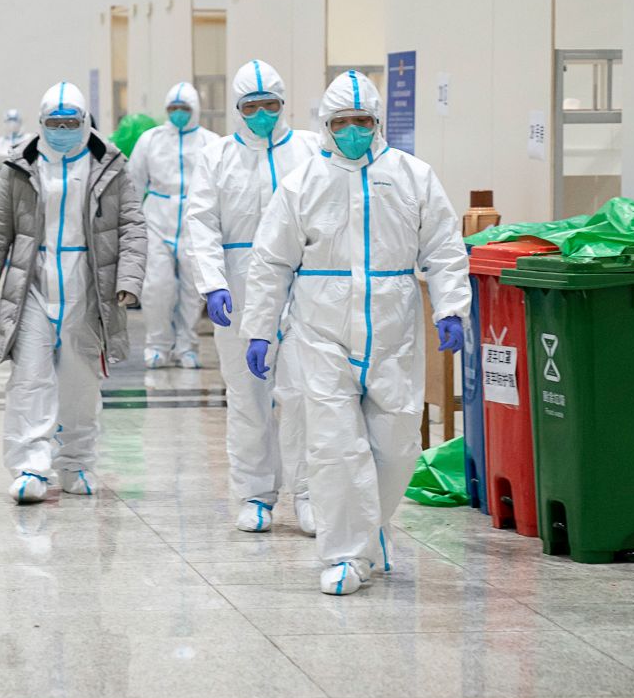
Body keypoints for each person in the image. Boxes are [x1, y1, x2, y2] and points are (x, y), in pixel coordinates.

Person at [241, 70, 470, 595]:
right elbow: (271, 261)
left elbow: (442, 245)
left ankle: (373, 531)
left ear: (377, 122)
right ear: (325, 125)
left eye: (362, 121)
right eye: (341, 122)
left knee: (395, 444)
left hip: (393, 326)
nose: (352, 131)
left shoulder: (412, 175)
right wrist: (261, 328)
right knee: (335, 446)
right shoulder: (302, 183)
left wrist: (451, 308)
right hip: (320, 330)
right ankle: (345, 554)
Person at [0, 81, 146, 503]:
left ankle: (77, 462)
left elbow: (132, 225)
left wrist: (128, 281)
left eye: (71, 122)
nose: (62, 129)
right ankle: (30, 465)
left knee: (81, 380)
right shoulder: (19, 167)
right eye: (54, 122)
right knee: (29, 378)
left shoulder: (108, 165)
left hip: (87, 284)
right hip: (33, 281)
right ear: (41, 123)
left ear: (85, 123)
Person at [185, 60, 317, 534]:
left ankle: (308, 495)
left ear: (284, 104)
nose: (262, 114)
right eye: (251, 107)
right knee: (246, 396)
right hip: (239, 289)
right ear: (238, 110)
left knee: (301, 394)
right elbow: (201, 221)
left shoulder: (308, 149)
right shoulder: (218, 156)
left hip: (300, 288)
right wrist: (213, 282)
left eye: (270, 105)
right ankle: (255, 494)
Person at [126, 81, 218, 369]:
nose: (179, 113)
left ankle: (186, 346)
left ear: (195, 110)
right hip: (156, 217)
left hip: (195, 219)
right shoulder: (151, 140)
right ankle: (157, 345)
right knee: (157, 286)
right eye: (173, 108)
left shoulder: (211, 142)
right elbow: (134, 182)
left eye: (184, 108)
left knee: (192, 289)